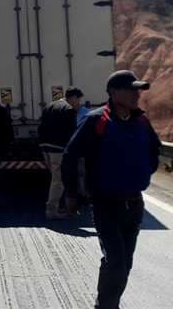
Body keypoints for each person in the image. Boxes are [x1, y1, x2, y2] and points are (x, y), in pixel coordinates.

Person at [62, 71, 161, 309]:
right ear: (115, 93)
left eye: (139, 90)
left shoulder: (141, 121)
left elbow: (154, 150)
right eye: (132, 90)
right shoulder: (97, 120)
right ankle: (106, 306)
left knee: (124, 262)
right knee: (116, 260)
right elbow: (70, 156)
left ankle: (106, 302)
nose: (137, 94)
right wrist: (72, 193)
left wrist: (144, 173)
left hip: (134, 204)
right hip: (106, 204)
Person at [38, 86, 83, 219]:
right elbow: (72, 133)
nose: (78, 103)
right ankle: (51, 211)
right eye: (78, 100)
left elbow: (40, 127)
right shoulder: (69, 110)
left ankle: (60, 207)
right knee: (58, 181)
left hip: (46, 148)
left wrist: (42, 147)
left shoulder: (49, 106)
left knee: (56, 179)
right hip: (59, 149)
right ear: (73, 97)